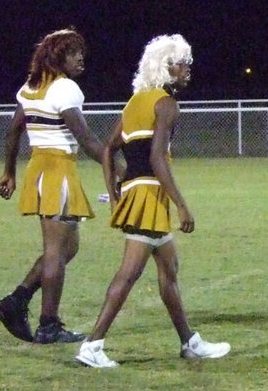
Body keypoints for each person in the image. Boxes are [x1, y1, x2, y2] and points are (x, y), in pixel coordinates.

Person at [75, 34, 230, 369]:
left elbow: (107, 150)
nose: (187, 69)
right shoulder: (166, 104)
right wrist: (182, 205)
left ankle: (189, 342)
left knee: (169, 269)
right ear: (165, 66)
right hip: (149, 196)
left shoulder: (135, 102)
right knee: (128, 274)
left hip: (137, 193)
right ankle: (92, 344)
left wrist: (116, 194)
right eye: (181, 63)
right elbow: (158, 158)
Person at [0, 28, 106, 344]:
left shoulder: (31, 88)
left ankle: (16, 301)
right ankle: (48, 325)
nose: (80, 57)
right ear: (58, 57)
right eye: (73, 52)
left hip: (40, 169)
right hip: (58, 171)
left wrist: (9, 173)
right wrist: (121, 168)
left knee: (69, 247)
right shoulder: (65, 88)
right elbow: (87, 139)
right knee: (56, 252)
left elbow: (14, 131)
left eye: (81, 51)